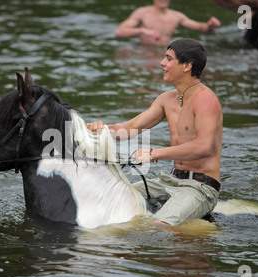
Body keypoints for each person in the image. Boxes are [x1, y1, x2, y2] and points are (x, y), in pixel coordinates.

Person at [87, 38, 223, 226]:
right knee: (111, 196)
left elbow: (204, 147)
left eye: (168, 59)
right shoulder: (166, 99)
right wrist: (100, 130)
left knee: (156, 227)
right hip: (170, 181)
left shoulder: (206, 99)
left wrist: (153, 154)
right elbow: (129, 128)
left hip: (200, 188)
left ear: (187, 66)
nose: (162, 63)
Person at [115, 0, 221, 46]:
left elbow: (199, 28)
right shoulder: (142, 13)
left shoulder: (176, 16)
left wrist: (210, 26)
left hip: (164, 53)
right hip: (144, 53)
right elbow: (119, 32)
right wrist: (142, 31)